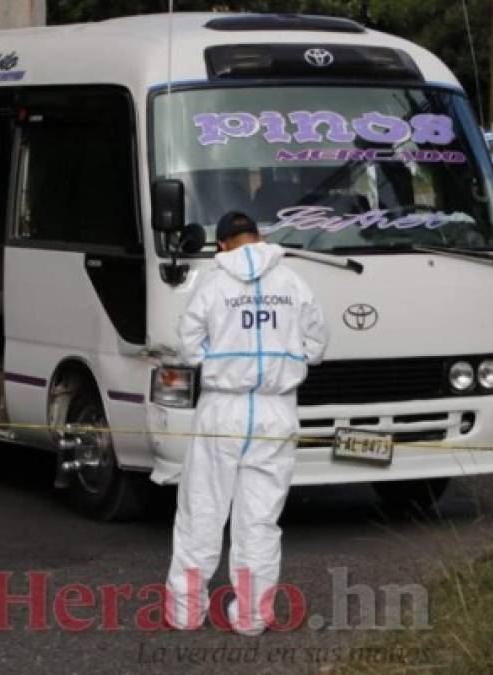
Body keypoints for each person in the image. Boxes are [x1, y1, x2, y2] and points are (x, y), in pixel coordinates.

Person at [165, 211, 329, 636]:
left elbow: (188, 344)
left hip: (222, 407)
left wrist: (219, 361)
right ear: (259, 238)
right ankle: (252, 617)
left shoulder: (213, 283)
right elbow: (317, 344)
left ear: (222, 245)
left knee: (202, 509)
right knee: (259, 518)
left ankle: (185, 613)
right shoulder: (293, 282)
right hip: (276, 410)